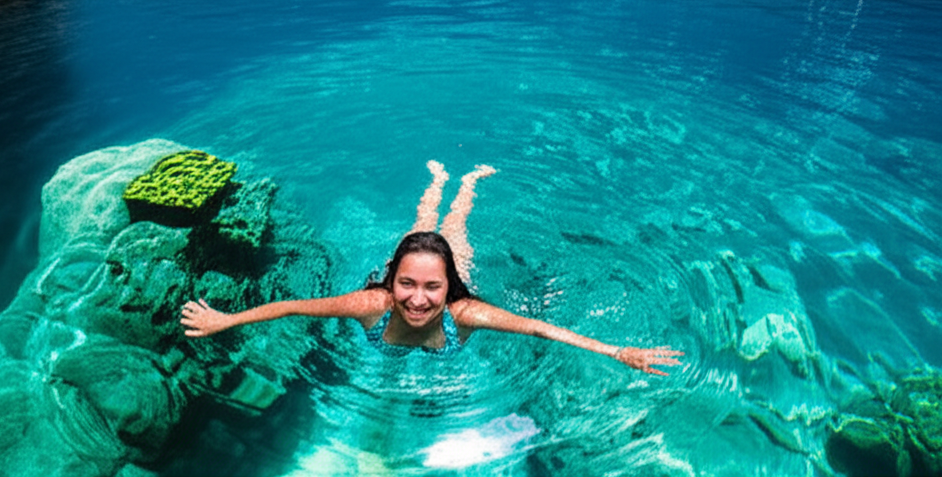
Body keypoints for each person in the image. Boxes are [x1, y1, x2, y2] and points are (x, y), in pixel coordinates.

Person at [181, 161, 684, 375]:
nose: (418, 299)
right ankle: (437, 179)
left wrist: (616, 351)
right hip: (416, 260)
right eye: (406, 284)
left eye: (431, 288)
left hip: (450, 260)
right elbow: (292, 306)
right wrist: (227, 319)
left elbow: (538, 328)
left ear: (448, 288)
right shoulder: (371, 304)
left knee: (454, 225)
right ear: (392, 280)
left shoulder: (464, 313)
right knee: (422, 222)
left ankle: (468, 182)